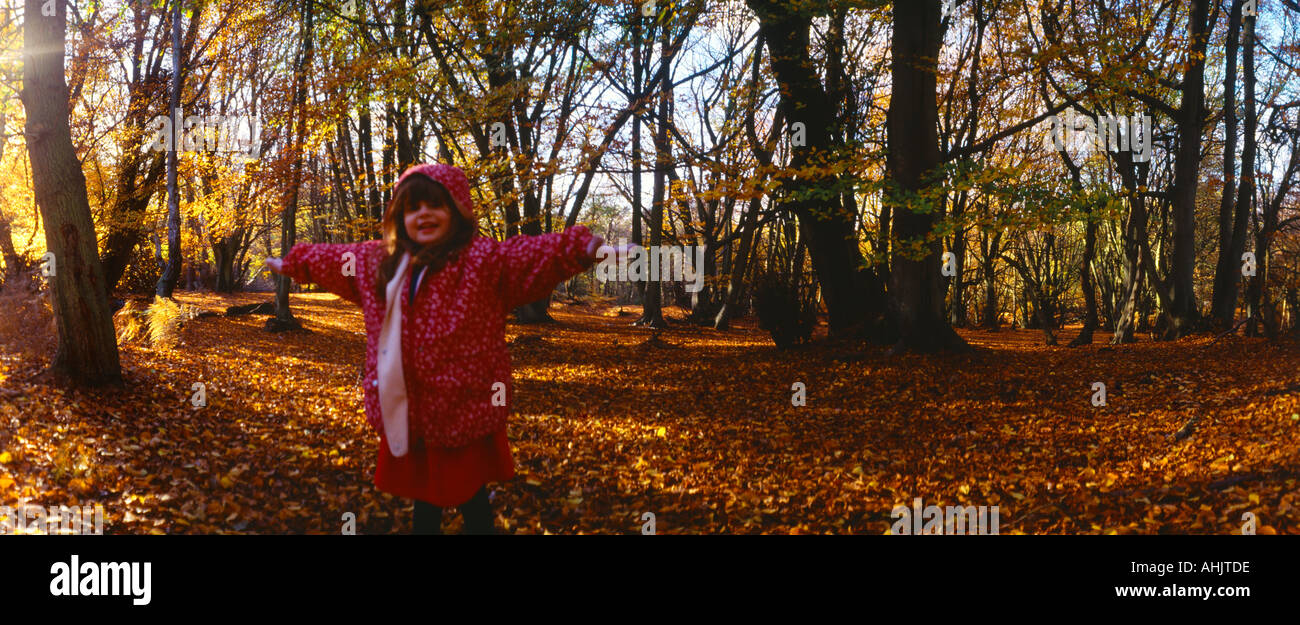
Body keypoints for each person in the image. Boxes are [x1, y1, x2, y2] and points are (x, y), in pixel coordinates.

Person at [266, 163, 604, 534]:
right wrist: (295, 263)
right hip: (410, 409)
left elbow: (528, 255)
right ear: (400, 216)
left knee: (469, 493)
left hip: (463, 405)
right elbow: (334, 260)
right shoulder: (381, 262)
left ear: (457, 211)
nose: (424, 214)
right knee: (425, 496)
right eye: (413, 208)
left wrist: (581, 248)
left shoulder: (482, 262)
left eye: (435, 205)